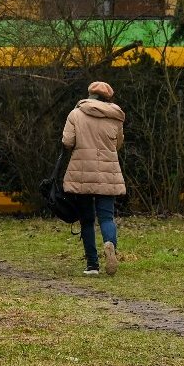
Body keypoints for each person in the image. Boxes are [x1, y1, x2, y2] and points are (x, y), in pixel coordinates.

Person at [62, 80, 125, 276]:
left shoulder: (76, 114)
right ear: (108, 98)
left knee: (87, 220)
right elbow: (117, 145)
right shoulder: (115, 117)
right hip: (108, 172)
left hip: (82, 172)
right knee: (106, 217)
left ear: (89, 95)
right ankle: (109, 244)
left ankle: (92, 265)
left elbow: (67, 141)